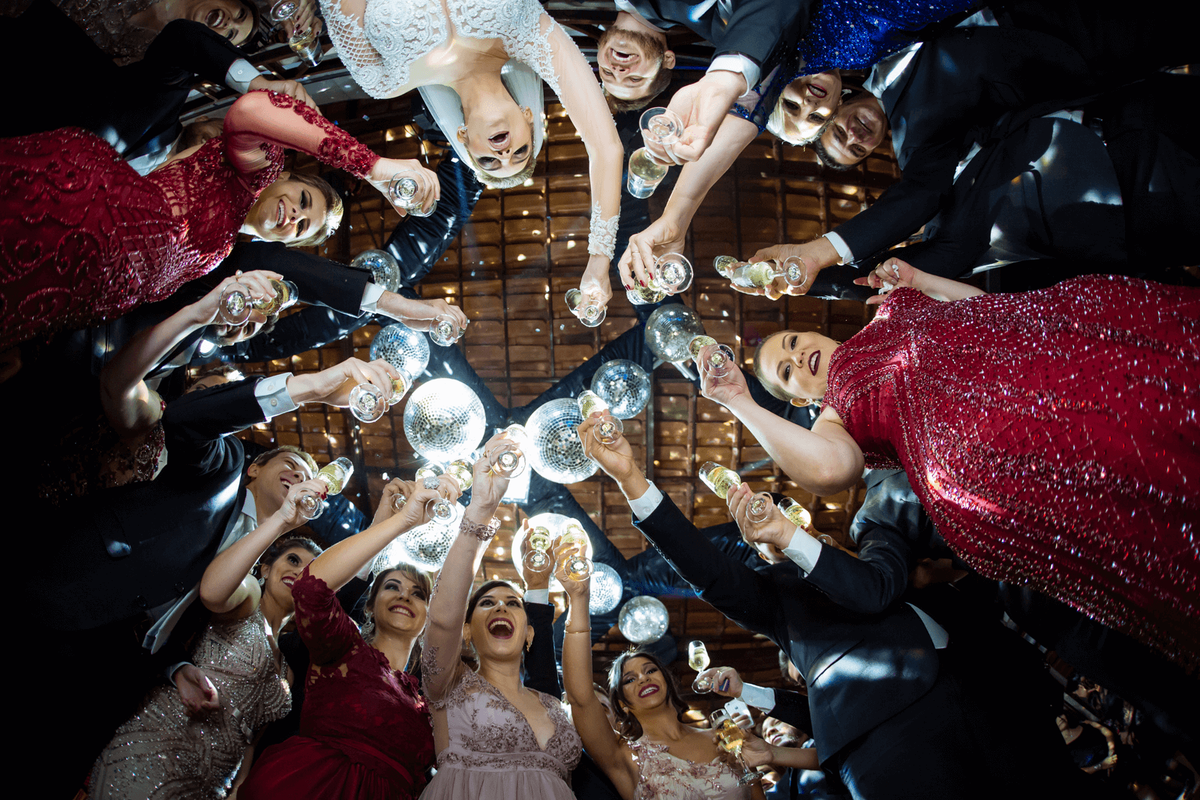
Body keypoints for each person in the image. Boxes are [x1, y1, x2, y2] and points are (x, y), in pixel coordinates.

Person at [710, 259, 1200, 666]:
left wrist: (920, 281)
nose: (798, 358)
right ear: (800, 401)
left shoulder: (882, 314)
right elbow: (829, 471)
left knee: (1155, 387)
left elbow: (982, 311)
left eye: (793, 343)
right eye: (787, 373)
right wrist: (741, 403)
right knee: (1134, 472)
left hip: (1035, 353)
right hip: (999, 442)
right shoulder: (833, 416)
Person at [576, 416, 1086, 800]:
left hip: (996, 691)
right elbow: (706, 570)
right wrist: (630, 479)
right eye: (762, 518)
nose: (771, 517)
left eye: (782, 510)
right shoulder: (774, 597)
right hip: (886, 733)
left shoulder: (875, 546)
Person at [0, 88, 438, 351]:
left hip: (58, 295)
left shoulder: (224, 256)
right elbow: (251, 110)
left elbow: (311, 279)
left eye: (303, 227)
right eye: (303, 199)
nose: (297, 215)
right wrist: (373, 167)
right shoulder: (248, 173)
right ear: (283, 176)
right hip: (66, 207)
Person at [318, 0, 623, 317]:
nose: (503, 154)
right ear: (527, 116)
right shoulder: (528, 33)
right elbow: (606, 148)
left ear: (463, 137)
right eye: (520, 152)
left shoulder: (385, 81)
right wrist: (600, 260)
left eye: (489, 162)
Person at [88, 485, 326, 799]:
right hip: (156, 751)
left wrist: (236, 790)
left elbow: (251, 743)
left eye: (309, 570)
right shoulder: (249, 599)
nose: (298, 571)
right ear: (265, 568)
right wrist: (282, 520)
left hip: (213, 785)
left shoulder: (289, 674)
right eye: (293, 560)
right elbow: (213, 592)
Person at [240, 476, 459, 799]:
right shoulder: (344, 649)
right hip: (312, 787)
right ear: (369, 605)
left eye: (417, 593)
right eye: (392, 586)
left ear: (428, 617)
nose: (405, 596)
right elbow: (312, 589)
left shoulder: (429, 699)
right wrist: (401, 522)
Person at [420, 434, 582, 799]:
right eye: (487, 603)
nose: (501, 607)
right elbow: (442, 618)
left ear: (528, 634)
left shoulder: (553, 706)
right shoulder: (447, 684)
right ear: (466, 632)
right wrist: (481, 510)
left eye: (513, 602)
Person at [561, 568, 755, 800]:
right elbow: (580, 698)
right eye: (630, 679)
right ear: (622, 704)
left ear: (667, 681)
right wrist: (579, 598)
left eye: (650, 670)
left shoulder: (723, 739)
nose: (643, 678)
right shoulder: (623, 756)